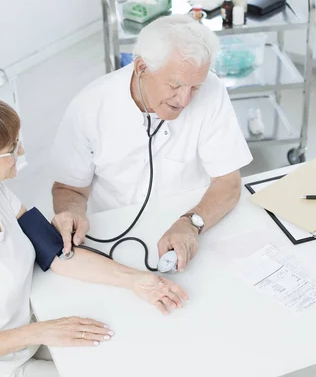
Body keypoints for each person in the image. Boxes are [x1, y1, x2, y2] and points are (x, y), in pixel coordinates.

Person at [0, 95, 187, 377]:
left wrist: (136, 280)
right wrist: (42, 331)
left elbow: (52, 251)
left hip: (26, 336)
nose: (21, 151)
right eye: (11, 148)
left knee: (130, 350)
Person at [51, 15, 252, 271]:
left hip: (196, 225)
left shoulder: (212, 90)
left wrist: (192, 223)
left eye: (195, 88)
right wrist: (72, 213)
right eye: (175, 85)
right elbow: (69, 189)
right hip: (117, 237)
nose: (185, 100)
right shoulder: (90, 106)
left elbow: (228, 182)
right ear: (141, 68)